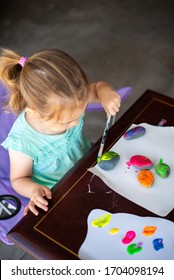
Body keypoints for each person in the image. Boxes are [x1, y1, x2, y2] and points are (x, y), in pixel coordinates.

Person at [0, 48, 121, 216]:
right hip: (58, 191)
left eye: (79, 114)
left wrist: (105, 92)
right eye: (67, 121)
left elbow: (98, 88)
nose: (77, 122)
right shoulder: (22, 142)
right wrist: (34, 190)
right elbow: (19, 179)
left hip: (88, 163)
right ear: (34, 111)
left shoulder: (70, 99)